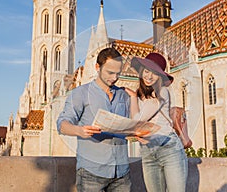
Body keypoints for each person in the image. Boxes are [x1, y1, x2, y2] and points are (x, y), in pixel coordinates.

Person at [57, 47, 131, 192]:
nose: (114, 78)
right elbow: (62, 124)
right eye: (110, 72)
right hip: (92, 173)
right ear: (97, 67)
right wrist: (79, 130)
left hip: (121, 172)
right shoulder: (80, 93)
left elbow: (131, 123)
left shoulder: (123, 95)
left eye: (118, 73)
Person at [125, 52, 188, 192]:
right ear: (142, 71)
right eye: (147, 71)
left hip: (169, 149)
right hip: (148, 152)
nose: (149, 76)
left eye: (154, 73)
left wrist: (133, 97)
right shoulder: (141, 95)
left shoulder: (162, 92)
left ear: (160, 76)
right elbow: (135, 125)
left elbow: (138, 119)